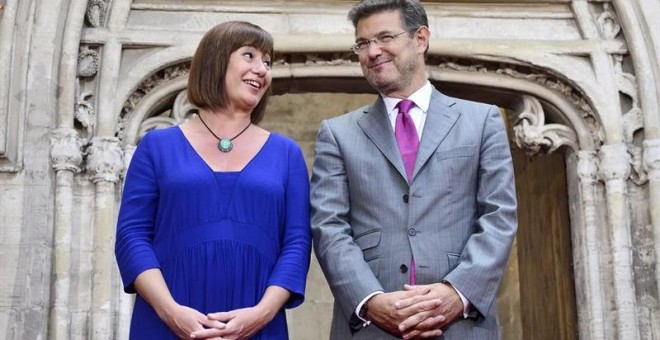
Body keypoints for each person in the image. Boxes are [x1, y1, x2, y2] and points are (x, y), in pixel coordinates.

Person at [310, 1, 518, 339]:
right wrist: (371, 300)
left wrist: (458, 293)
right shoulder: (337, 133)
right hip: (371, 328)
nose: (372, 51)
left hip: (461, 325)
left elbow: (499, 215)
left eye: (384, 37)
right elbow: (328, 226)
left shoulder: (482, 121)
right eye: (362, 44)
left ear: (420, 38)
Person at [115, 21, 311, 340]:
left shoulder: (286, 154)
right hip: (167, 324)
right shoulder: (156, 147)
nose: (261, 69)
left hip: (257, 325)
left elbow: (297, 244)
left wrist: (261, 314)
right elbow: (132, 236)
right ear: (215, 61)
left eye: (267, 62)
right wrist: (171, 312)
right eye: (249, 55)